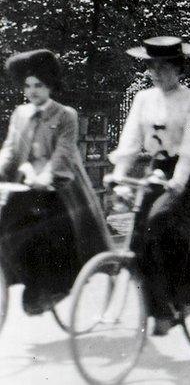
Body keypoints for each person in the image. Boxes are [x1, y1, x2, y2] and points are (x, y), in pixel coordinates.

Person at [107, 36, 190, 336]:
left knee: (162, 221)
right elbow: (129, 141)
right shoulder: (143, 99)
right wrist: (118, 174)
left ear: (178, 69)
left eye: (164, 67)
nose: (157, 73)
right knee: (140, 241)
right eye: (152, 67)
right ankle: (161, 312)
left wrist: (178, 181)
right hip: (158, 170)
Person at [0, 50, 111, 315]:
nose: (32, 91)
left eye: (38, 85)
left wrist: (46, 177)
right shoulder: (20, 114)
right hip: (27, 185)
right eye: (27, 86)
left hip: (62, 187)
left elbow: (63, 154)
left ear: (49, 85)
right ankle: (28, 281)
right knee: (7, 226)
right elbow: (11, 150)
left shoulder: (65, 115)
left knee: (48, 232)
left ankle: (54, 287)